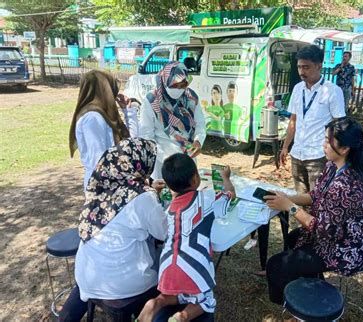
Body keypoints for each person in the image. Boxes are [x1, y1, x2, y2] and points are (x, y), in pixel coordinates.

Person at [265, 117, 363, 304]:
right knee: (293, 238)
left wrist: (288, 206)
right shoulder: (333, 166)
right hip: (333, 237)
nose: (323, 144)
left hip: (344, 248)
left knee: (276, 266)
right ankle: (312, 286)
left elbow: (324, 231)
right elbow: (315, 195)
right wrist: (286, 196)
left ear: (344, 149)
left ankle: (298, 308)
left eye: (327, 141)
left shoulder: (346, 185)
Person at [59, 138, 168, 321]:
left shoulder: (99, 183)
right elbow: (163, 232)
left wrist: (147, 187)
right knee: (162, 263)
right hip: (122, 287)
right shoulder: (143, 198)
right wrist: (154, 197)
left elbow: (123, 202)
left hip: (86, 275)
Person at [138, 153, 236, 322]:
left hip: (167, 269)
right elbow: (230, 194)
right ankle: (181, 317)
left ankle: (155, 303)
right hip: (194, 267)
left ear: (169, 185)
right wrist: (225, 177)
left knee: (179, 294)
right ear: (195, 179)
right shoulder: (207, 198)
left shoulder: (167, 211)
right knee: (206, 300)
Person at [280, 45, 346, 194]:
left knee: (318, 200)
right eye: (299, 67)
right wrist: (285, 147)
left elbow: (339, 125)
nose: (302, 72)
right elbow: (293, 121)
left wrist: (336, 156)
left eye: (306, 67)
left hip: (319, 156)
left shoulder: (333, 91)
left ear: (319, 66)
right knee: (300, 197)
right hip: (297, 153)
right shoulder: (297, 89)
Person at [69, 70, 139, 191]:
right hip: (102, 184)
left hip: (114, 179)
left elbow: (131, 144)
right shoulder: (93, 117)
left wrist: (128, 112)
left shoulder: (106, 116)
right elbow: (99, 160)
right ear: (104, 90)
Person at [139, 62, 206, 180]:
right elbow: (146, 136)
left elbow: (200, 123)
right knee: (166, 194)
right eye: (174, 85)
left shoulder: (191, 98)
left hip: (188, 159)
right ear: (165, 81)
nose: (179, 89)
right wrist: (167, 158)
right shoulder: (152, 101)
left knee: (187, 193)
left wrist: (198, 141)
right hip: (164, 161)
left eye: (182, 85)